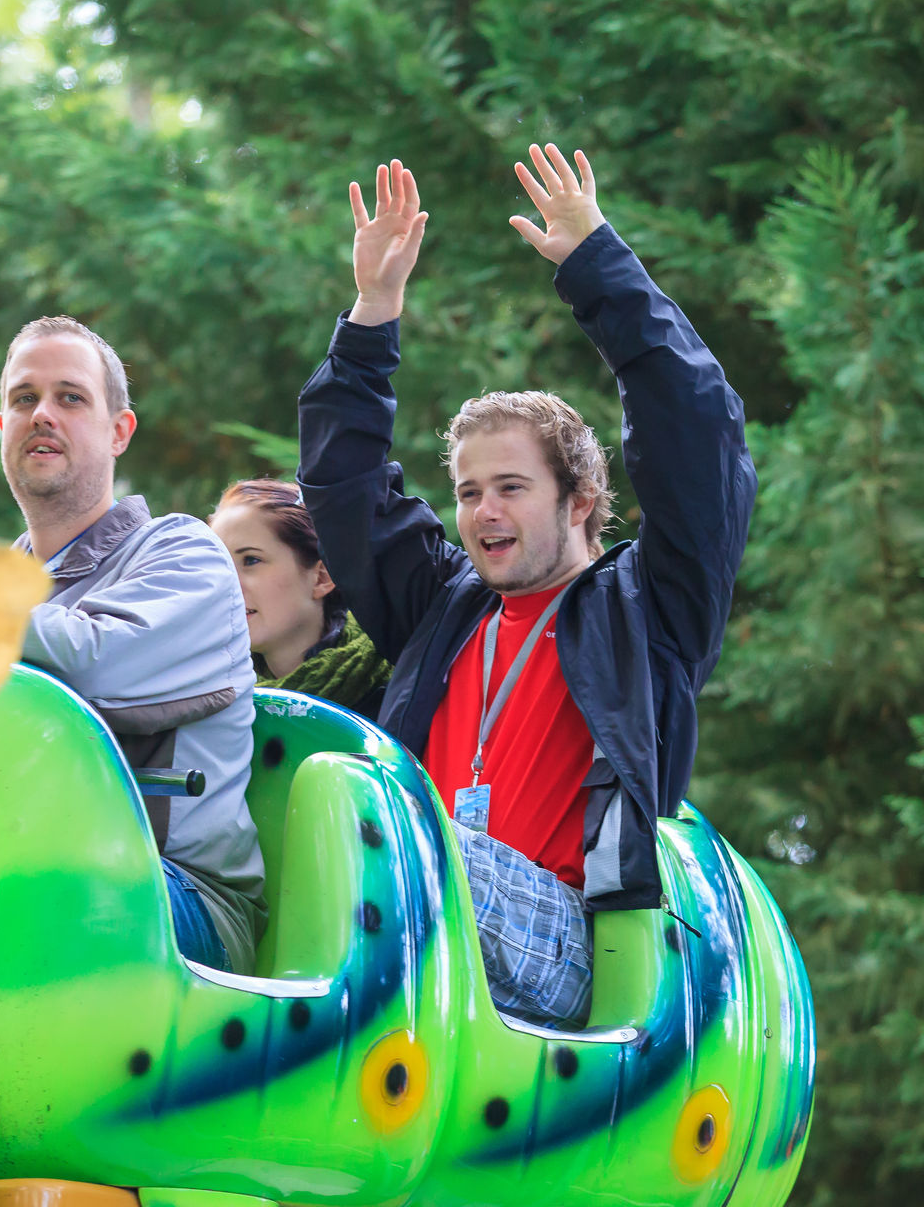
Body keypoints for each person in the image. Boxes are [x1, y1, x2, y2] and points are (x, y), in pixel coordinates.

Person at [296, 148, 755, 1027]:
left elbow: (698, 435)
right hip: (426, 933)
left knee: (408, 841)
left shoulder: (648, 609)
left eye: (510, 488)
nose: (483, 512)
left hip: (568, 942)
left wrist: (598, 266)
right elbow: (344, 489)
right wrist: (373, 311)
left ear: (579, 500)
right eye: (469, 492)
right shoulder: (444, 608)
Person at [0, 315, 265, 973]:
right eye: (24, 398)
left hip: (178, 895)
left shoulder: (184, 553)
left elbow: (94, 669)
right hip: (19, 869)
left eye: (70, 397)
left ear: (119, 431)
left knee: (19, 901)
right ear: (2, 425)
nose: (42, 414)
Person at [209, 478, 392, 720]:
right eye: (218, 565)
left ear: (322, 577)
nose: (226, 585)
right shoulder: (209, 703)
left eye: (251, 560)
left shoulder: (400, 691)